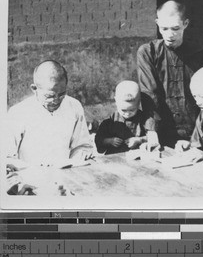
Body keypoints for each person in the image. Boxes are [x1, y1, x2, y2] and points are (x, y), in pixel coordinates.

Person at [5, 60, 93, 194]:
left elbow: (81, 146)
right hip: (31, 184)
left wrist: (79, 159)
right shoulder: (18, 113)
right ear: (34, 89)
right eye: (50, 96)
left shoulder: (74, 106)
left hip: (66, 180)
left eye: (62, 94)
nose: (56, 100)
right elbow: (7, 158)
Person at [137, 0, 203, 147]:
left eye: (175, 28)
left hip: (197, 130)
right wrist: (152, 131)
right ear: (157, 23)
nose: (170, 35)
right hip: (162, 131)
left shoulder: (201, 53)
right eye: (164, 28)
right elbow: (149, 92)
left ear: (185, 23)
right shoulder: (148, 52)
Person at [95, 80, 157, 154]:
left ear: (138, 103)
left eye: (132, 110)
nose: (127, 114)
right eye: (123, 110)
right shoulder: (111, 120)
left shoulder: (144, 119)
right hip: (114, 158)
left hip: (137, 157)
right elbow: (98, 139)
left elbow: (153, 138)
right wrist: (109, 141)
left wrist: (139, 140)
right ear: (116, 101)